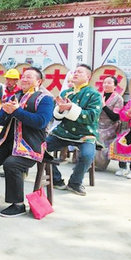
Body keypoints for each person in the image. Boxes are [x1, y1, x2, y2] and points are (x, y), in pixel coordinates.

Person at [0, 68, 54, 216]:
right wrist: (4, 111)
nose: (24, 79)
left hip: (30, 145)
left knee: (11, 164)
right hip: (8, 142)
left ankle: (18, 204)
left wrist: (16, 111)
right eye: (23, 76)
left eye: (29, 77)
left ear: (39, 81)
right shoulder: (15, 96)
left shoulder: (45, 99)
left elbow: (41, 122)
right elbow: (0, 120)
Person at [47, 64, 102, 196]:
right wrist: (61, 110)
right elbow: (57, 116)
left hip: (86, 133)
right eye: (75, 72)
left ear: (88, 77)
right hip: (64, 131)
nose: (75, 74)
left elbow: (92, 116)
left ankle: (75, 183)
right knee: (40, 147)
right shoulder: (66, 93)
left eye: (80, 72)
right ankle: (56, 179)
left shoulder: (94, 94)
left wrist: (71, 108)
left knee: (87, 155)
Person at [94, 76, 124, 170]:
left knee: (99, 136)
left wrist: (104, 106)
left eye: (109, 83)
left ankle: (99, 164)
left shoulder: (118, 98)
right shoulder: (98, 96)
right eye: (104, 83)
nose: (106, 85)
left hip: (110, 126)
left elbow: (115, 117)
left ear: (115, 86)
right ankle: (85, 162)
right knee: (86, 133)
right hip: (97, 124)